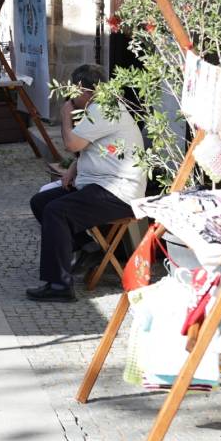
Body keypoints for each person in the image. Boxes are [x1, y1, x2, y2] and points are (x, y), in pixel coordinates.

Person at [26, 64, 146, 302]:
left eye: (73, 93)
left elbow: (72, 144)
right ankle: (88, 245)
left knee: (56, 211)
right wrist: (73, 168)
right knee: (41, 201)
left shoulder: (103, 110)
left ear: (84, 91)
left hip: (118, 190)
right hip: (100, 183)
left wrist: (65, 118)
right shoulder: (100, 108)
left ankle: (60, 285)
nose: (71, 98)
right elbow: (88, 147)